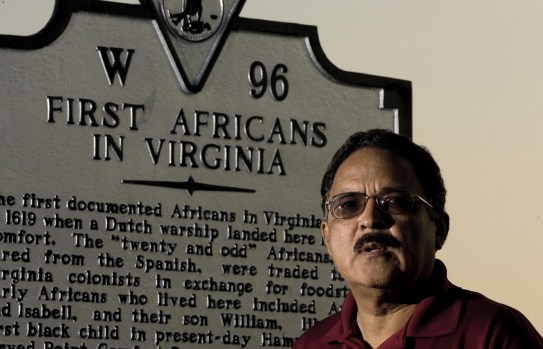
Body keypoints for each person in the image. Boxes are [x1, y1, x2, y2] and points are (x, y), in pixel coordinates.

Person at [292, 129, 543, 348]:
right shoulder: (310, 345)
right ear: (326, 236)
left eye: (394, 202)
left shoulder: (492, 335)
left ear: (439, 229)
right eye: (348, 204)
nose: (369, 219)